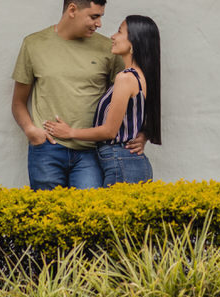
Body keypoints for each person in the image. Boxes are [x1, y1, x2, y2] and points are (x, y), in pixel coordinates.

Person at [12, 0, 128, 189]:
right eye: (94, 16)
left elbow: (130, 94)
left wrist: (143, 134)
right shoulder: (34, 44)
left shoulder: (107, 49)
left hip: (90, 152)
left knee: (88, 216)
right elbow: (19, 101)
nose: (99, 23)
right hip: (47, 149)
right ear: (72, 10)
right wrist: (31, 130)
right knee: (47, 216)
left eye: (101, 16)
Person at [43, 15, 160, 186]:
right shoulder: (140, 76)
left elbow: (109, 131)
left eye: (120, 32)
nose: (113, 36)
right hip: (127, 162)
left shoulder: (125, 78)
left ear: (134, 43)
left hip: (121, 162)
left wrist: (70, 133)